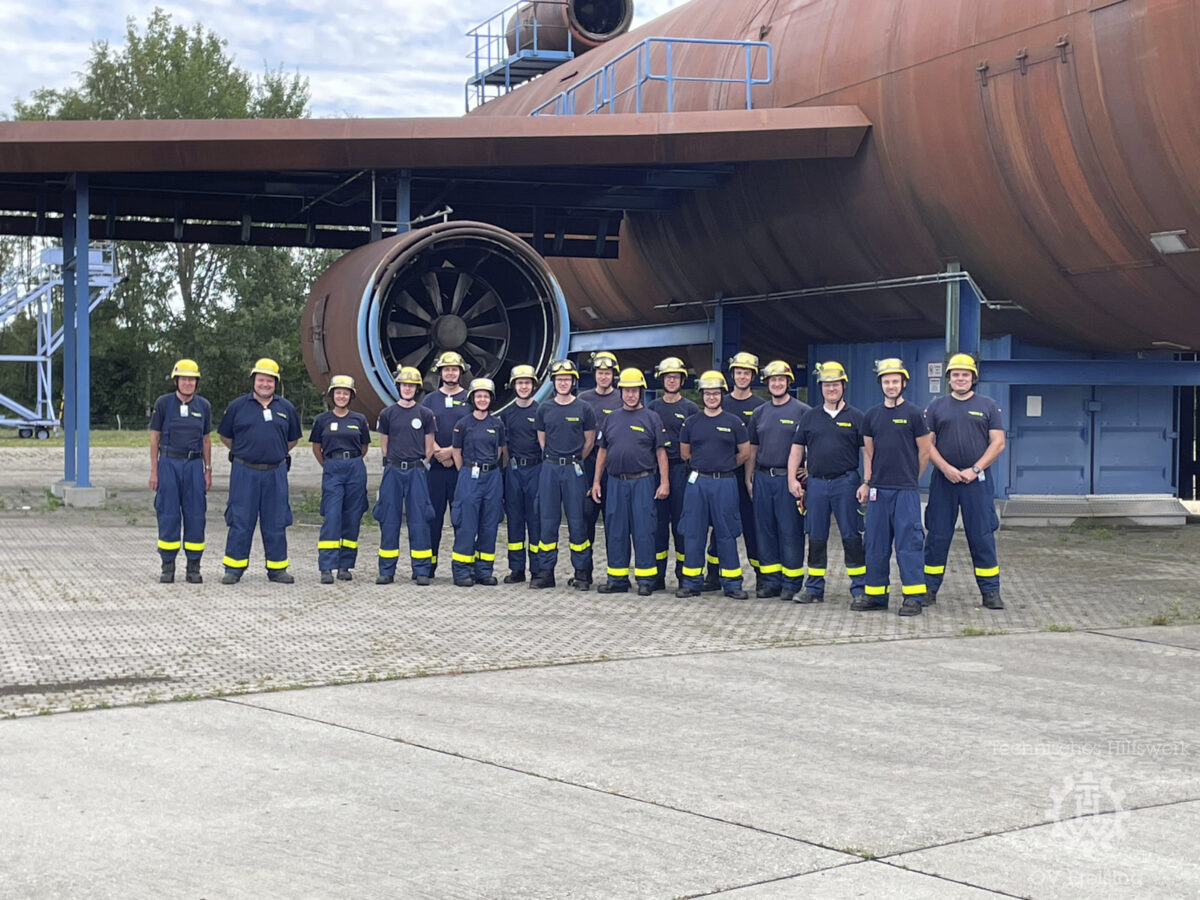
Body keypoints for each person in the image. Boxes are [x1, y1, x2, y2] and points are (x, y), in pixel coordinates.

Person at [923, 352, 1006, 610]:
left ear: (973, 378)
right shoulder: (937, 407)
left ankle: (990, 593)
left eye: (965, 375)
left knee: (981, 536)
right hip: (943, 481)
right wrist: (946, 468)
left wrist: (975, 468)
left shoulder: (988, 406)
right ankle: (928, 590)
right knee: (937, 536)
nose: (960, 379)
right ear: (949, 379)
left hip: (976, 482)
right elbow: (927, 444)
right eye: (956, 375)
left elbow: (998, 443)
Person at [854, 358, 932, 615]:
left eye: (895, 381)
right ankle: (875, 594)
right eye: (886, 381)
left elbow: (924, 451)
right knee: (875, 543)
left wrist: (912, 478)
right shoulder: (871, 416)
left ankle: (913, 597)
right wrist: (867, 482)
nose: (891, 385)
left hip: (905, 491)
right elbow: (869, 453)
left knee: (909, 544)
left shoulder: (914, 414)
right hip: (878, 490)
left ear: (903, 383)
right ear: (881, 384)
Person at [788, 361, 868, 604]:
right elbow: (796, 449)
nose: (831, 389)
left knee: (852, 536)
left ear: (843, 386)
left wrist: (867, 482)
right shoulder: (810, 417)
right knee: (816, 536)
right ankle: (813, 588)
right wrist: (792, 478)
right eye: (826, 385)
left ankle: (860, 588)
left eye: (835, 385)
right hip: (817, 485)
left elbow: (868, 452)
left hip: (847, 483)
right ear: (820, 387)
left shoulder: (857, 417)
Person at [217, 358, 301, 584]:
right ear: (254, 380)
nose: (265, 384)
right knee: (240, 519)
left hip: (276, 473)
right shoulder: (237, 407)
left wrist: (273, 452)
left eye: (269, 380)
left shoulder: (286, 408)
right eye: (261, 379)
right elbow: (225, 436)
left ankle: (277, 569)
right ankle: (233, 568)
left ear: (276, 382)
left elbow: (292, 439)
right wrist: (246, 451)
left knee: (276, 520)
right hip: (245, 472)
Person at [591, 368, 669, 596]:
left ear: (641, 392)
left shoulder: (652, 418)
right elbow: (602, 453)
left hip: (643, 482)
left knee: (644, 530)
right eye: (627, 391)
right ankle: (617, 578)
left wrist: (664, 483)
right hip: (615, 482)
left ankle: (646, 579)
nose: (630, 395)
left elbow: (661, 453)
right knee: (616, 530)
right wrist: (596, 482)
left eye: (635, 391)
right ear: (621, 392)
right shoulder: (611, 418)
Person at [677, 370, 750, 600]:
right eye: (707, 394)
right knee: (693, 533)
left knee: (726, 533)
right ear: (702, 395)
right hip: (698, 483)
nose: (711, 397)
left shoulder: (734, 422)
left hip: (725, 483)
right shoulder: (691, 423)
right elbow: (685, 453)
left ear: (722, 394)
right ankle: (691, 583)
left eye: (715, 393)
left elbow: (745, 453)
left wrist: (725, 465)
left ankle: (732, 584)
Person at [746, 360, 811, 600]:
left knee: (790, 531)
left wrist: (809, 470)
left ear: (788, 382)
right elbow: (753, 448)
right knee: (765, 531)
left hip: (788, 480)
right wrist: (749, 478)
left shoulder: (802, 411)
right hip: (763, 477)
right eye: (773, 380)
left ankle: (791, 583)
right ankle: (770, 581)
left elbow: (813, 443)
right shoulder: (759, 413)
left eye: (781, 380)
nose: (777, 383)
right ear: (767, 383)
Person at [532, 359, 597, 590]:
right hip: (549, 467)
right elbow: (542, 438)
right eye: (559, 379)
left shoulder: (584, 408)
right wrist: (553, 457)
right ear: (554, 381)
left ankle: (581, 574)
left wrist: (573, 458)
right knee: (547, 520)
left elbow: (589, 441)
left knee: (578, 521)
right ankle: (545, 572)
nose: (562, 383)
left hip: (574, 469)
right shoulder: (544, 408)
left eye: (567, 379)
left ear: (573, 381)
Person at [149, 358, 212, 584]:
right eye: (184, 379)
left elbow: (206, 440)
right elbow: (154, 437)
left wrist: (208, 470)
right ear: (177, 381)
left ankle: (193, 567)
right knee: (168, 515)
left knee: (196, 515)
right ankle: (168, 566)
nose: (188, 383)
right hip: (169, 463)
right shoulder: (164, 404)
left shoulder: (203, 406)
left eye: (192, 380)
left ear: (196, 382)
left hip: (194, 465)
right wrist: (154, 471)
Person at [374, 366, 436, 586]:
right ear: (398, 387)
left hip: (416, 471)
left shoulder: (425, 414)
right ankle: (386, 570)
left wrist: (421, 464)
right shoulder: (387, 414)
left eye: (411, 386)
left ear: (417, 388)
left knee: (419, 521)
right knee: (389, 520)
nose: (407, 389)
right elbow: (384, 445)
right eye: (404, 385)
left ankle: (421, 570)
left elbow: (429, 447)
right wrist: (392, 463)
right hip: (393, 471)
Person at [309, 375, 370, 584]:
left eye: (345, 393)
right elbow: (316, 447)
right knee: (332, 516)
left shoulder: (359, 420)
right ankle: (326, 566)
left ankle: (345, 566)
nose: (341, 396)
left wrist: (350, 461)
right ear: (332, 395)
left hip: (355, 467)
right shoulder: (322, 420)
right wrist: (329, 465)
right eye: (338, 392)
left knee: (352, 518)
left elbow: (364, 447)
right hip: (332, 467)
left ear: (350, 395)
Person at [714, 350, 765, 589]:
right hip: (722, 476)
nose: (742, 377)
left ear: (752, 376)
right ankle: (713, 574)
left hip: (750, 476)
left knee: (753, 526)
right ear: (732, 374)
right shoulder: (720, 403)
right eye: (738, 372)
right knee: (719, 525)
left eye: (746, 373)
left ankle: (762, 575)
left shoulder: (761, 407)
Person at [450, 378, 507, 587]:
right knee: (467, 524)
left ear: (490, 399)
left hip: (492, 476)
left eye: (486, 396)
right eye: (478, 396)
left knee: (489, 524)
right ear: (472, 398)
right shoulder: (462, 425)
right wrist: (465, 472)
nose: (482, 399)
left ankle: (484, 571)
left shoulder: (497, 423)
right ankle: (462, 570)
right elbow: (456, 452)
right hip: (469, 475)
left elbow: (500, 451)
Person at [648, 356, 698, 590]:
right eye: (668, 377)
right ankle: (657, 576)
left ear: (682, 380)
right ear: (662, 379)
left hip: (681, 471)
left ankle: (683, 576)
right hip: (656, 471)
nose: (671, 380)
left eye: (675, 377)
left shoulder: (690, 408)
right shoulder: (653, 408)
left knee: (682, 525)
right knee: (657, 525)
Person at [421, 350, 471, 577]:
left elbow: (473, 429)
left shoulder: (470, 398)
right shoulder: (429, 400)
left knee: (462, 518)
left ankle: (462, 568)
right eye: (446, 369)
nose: (450, 373)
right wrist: (438, 452)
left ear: (461, 372)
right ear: (440, 372)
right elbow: (423, 432)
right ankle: (428, 567)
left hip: (460, 469)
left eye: (454, 369)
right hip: (436, 469)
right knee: (432, 518)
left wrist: (452, 451)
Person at [499, 365, 542, 583]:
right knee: (514, 521)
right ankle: (516, 569)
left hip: (536, 469)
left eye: (527, 383)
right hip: (514, 471)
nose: (523, 387)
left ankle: (537, 568)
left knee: (535, 521)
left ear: (533, 385)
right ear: (513, 385)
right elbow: (504, 445)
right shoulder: (507, 414)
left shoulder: (541, 411)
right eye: (520, 383)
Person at [579, 350, 620, 556]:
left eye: (608, 373)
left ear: (614, 375)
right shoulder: (583, 400)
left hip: (613, 464)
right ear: (594, 374)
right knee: (586, 515)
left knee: (613, 517)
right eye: (600, 372)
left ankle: (615, 571)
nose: (604, 376)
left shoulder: (622, 398)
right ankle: (584, 572)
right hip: (589, 460)